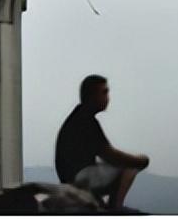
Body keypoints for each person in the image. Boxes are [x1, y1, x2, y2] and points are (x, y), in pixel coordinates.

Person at [54, 75, 149, 210]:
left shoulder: (78, 116)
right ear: (92, 96)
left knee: (118, 165)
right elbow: (111, 155)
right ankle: (116, 209)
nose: (108, 97)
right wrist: (141, 161)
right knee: (129, 166)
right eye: (104, 92)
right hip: (79, 178)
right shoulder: (86, 121)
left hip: (72, 176)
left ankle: (104, 205)